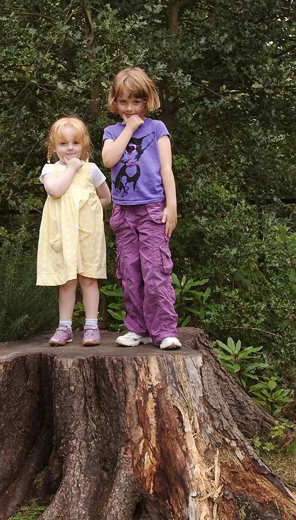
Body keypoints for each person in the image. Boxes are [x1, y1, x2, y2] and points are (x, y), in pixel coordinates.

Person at [101, 67, 181, 350]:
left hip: (153, 211)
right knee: (130, 273)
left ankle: (165, 331)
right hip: (124, 213)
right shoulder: (112, 131)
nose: (130, 108)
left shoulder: (158, 128)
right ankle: (138, 329)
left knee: (155, 271)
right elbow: (109, 159)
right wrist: (130, 128)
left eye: (136, 102)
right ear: (114, 102)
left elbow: (166, 168)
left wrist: (171, 205)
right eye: (123, 102)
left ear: (147, 101)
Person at [37, 116, 112, 346]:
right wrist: (70, 168)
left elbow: (106, 198)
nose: (70, 148)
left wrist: (88, 214)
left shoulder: (92, 170)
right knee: (67, 281)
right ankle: (65, 327)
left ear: (84, 145)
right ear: (53, 147)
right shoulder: (50, 170)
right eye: (63, 144)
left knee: (89, 279)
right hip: (63, 238)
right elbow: (55, 191)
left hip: (87, 236)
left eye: (75, 143)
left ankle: (91, 326)